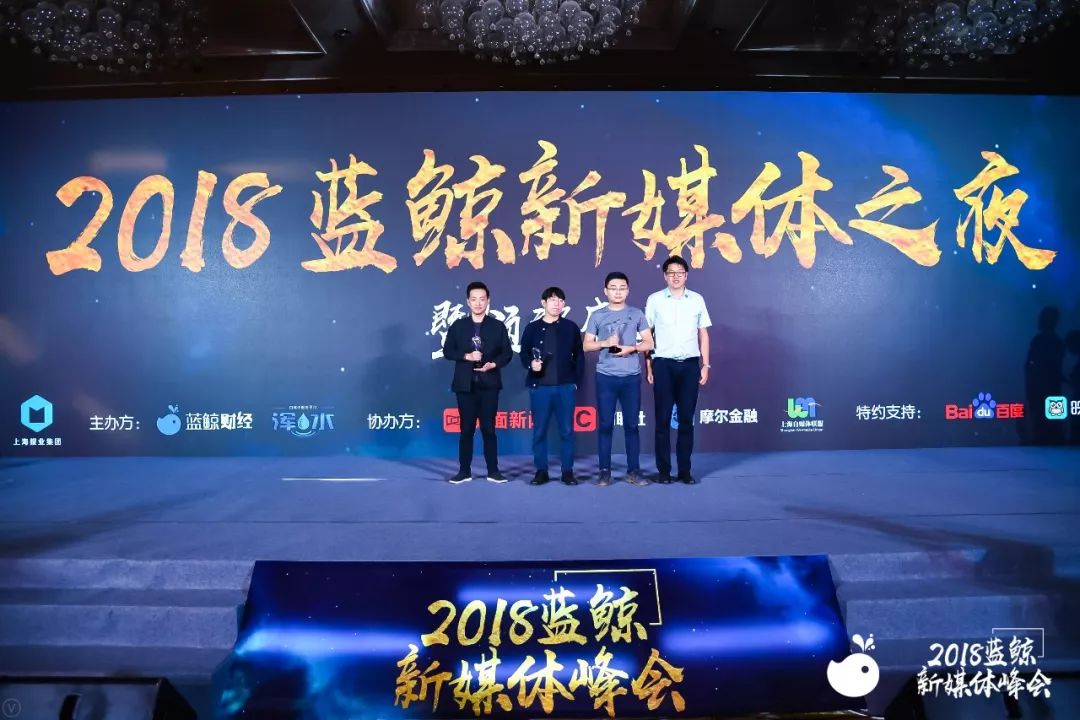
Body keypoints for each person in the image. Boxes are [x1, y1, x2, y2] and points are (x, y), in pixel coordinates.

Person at [583, 271, 654, 487]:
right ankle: (604, 471)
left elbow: (649, 343)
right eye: (613, 288)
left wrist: (632, 348)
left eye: (622, 288)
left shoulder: (636, 314)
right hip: (606, 377)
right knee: (605, 425)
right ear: (605, 291)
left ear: (628, 290)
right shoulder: (597, 316)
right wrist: (605, 343)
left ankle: (634, 471)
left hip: (631, 377)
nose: (618, 292)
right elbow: (586, 345)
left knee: (632, 426)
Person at [645, 256, 711, 485]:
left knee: (686, 420)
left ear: (686, 275)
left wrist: (706, 364)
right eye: (671, 272)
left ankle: (685, 471)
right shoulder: (654, 300)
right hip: (663, 364)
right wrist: (649, 366)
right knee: (662, 420)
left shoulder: (697, 300)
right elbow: (647, 335)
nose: (676, 276)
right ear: (665, 276)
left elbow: (703, 334)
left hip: (690, 365)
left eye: (680, 272)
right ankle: (663, 471)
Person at [442, 281, 513, 484]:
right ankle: (464, 471)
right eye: (474, 299)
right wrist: (466, 356)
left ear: (488, 300)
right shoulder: (458, 326)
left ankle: (493, 471)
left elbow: (507, 354)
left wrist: (493, 364)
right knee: (466, 429)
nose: (478, 303)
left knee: (489, 429)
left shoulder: (497, 326)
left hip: (489, 384)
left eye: (482, 299)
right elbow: (448, 351)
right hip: (465, 385)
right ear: (468, 301)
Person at [520, 287, 585, 486]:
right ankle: (541, 471)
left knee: (567, 431)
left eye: (560, 301)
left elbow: (579, 356)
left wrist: (575, 382)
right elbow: (523, 353)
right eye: (553, 300)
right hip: (540, 387)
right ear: (543, 303)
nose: (557, 304)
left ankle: (567, 471)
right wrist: (531, 364)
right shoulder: (532, 328)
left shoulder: (570, 327)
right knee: (539, 431)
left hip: (565, 387)